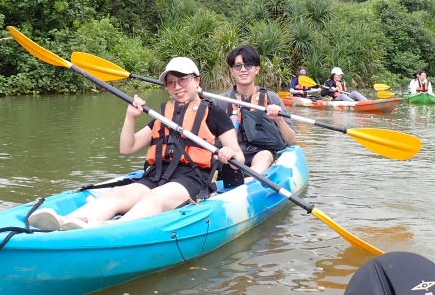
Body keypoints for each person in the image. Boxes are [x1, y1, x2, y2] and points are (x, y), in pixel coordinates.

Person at [29, 57, 244, 231]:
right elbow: (127, 147)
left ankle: (107, 228)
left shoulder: (214, 112)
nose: (177, 87)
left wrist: (229, 154)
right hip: (157, 175)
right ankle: (65, 221)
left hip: (192, 179)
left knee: (154, 198)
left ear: (197, 80)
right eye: (171, 82)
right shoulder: (164, 115)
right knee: (118, 194)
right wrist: (130, 117)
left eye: (183, 80)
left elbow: (238, 156)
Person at [219, 45, 297, 175]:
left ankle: (248, 180)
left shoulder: (272, 98)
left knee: (264, 156)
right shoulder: (220, 101)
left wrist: (279, 120)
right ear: (231, 70)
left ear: (257, 69)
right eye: (238, 66)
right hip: (231, 155)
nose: (243, 69)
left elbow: (291, 140)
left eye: (248, 65)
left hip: (261, 154)